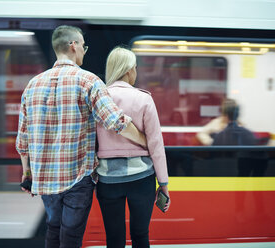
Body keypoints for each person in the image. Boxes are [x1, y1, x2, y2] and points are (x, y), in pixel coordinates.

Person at [16, 26, 146, 248]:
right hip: (77, 177)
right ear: (73, 45)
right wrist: (146, 141)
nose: (85, 51)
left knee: (53, 229)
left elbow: (23, 140)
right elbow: (116, 121)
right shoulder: (88, 81)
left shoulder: (32, 85)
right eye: (83, 46)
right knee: (71, 236)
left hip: (45, 179)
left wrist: (27, 173)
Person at [95, 47, 170, 248]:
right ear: (129, 70)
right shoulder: (143, 98)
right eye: (135, 67)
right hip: (142, 178)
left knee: (114, 238)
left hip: (107, 179)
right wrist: (163, 183)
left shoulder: (99, 99)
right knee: (140, 234)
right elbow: (155, 143)